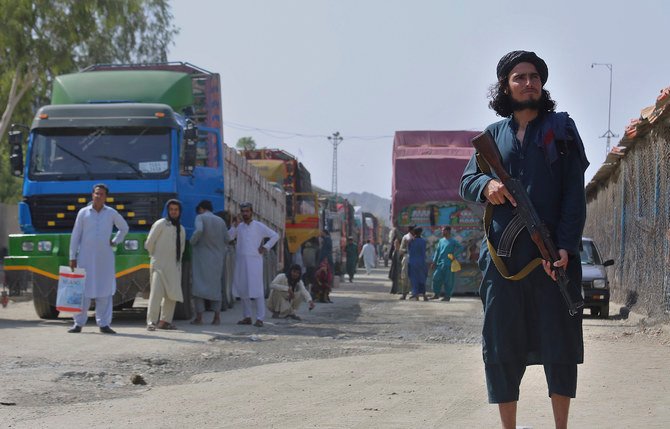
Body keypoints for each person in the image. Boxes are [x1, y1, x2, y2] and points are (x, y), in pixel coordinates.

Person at [459, 50, 588, 429]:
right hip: (504, 264)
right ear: (505, 85)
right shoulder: (494, 135)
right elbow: (466, 182)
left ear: (542, 83)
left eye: (534, 76)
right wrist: (487, 184)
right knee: (501, 345)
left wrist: (565, 246)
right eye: (519, 77)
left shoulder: (561, 129)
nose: (528, 82)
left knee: (560, 345)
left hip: (553, 261)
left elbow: (573, 194)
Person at [68, 184, 129, 334]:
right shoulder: (83, 213)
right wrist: (72, 256)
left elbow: (124, 228)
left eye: (101, 194)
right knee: (82, 290)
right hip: (84, 257)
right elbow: (76, 235)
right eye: (96, 193)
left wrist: (115, 241)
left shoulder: (111, 213)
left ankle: (104, 324)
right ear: (92, 195)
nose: (98, 196)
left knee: (104, 291)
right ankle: (78, 323)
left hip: (105, 258)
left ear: (105, 197)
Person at [229, 202, 279, 327]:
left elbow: (275, 235)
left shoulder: (259, 226)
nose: (245, 214)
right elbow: (229, 237)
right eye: (243, 211)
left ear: (252, 212)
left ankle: (260, 318)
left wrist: (265, 247)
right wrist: (234, 227)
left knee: (257, 290)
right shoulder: (239, 227)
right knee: (243, 288)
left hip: (255, 262)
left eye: (247, 211)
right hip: (241, 261)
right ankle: (247, 317)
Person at [145, 199, 186, 331]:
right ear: (167, 211)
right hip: (159, 266)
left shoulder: (181, 229)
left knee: (172, 295)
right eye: (171, 210)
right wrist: (155, 257)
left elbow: (182, 249)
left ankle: (165, 321)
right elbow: (149, 243)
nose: (174, 212)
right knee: (156, 294)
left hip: (173, 267)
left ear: (179, 212)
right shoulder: (161, 224)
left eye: (176, 210)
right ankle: (151, 322)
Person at [190, 200, 229, 325]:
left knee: (198, 286)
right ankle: (217, 317)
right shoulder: (220, 221)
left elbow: (199, 230)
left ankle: (199, 317)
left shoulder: (200, 217)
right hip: (217, 259)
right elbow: (227, 238)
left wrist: (192, 241)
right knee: (216, 287)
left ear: (201, 208)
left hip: (201, 258)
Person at [430, 226, 459, 301]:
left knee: (448, 281)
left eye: (443, 230)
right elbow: (437, 251)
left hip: (449, 264)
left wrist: (454, 255)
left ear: (448, 231)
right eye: (442, 230)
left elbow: (461, 247)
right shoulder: (441, 241)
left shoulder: (453, 241)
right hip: (440, 263)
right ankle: (436, 294)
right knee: (435, 278)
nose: (442, 232)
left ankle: (447, 296)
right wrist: (434, 261)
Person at [407, 228, 428, 301]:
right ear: (420, 233)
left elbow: (409, 251)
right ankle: (424, 295)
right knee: (422, 278)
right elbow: (424, 251)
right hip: (421, 262)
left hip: (412, 262)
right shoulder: (424, 241)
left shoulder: (410, 241)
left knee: (414, 279)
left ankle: (416, 295)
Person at [398, 224, 415, 300]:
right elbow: (401, 250)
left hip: (415, 259)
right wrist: (407, 249)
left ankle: (414, 294)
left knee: (414, 277)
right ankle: (404, 293)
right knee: (405, 276)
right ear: (411, 230)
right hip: (407, 258)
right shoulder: (405, 237)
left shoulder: (417, 237)